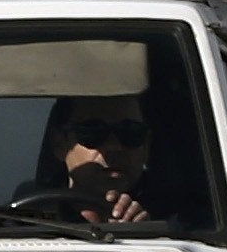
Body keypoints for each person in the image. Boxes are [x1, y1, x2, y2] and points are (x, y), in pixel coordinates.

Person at [27, 97, 157, 226]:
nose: (114, 146)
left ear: (146, 146)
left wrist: (147, 232)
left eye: (130, 132)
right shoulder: (24, 220)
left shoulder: (167, 218)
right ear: (59, 143)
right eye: (92, 132)